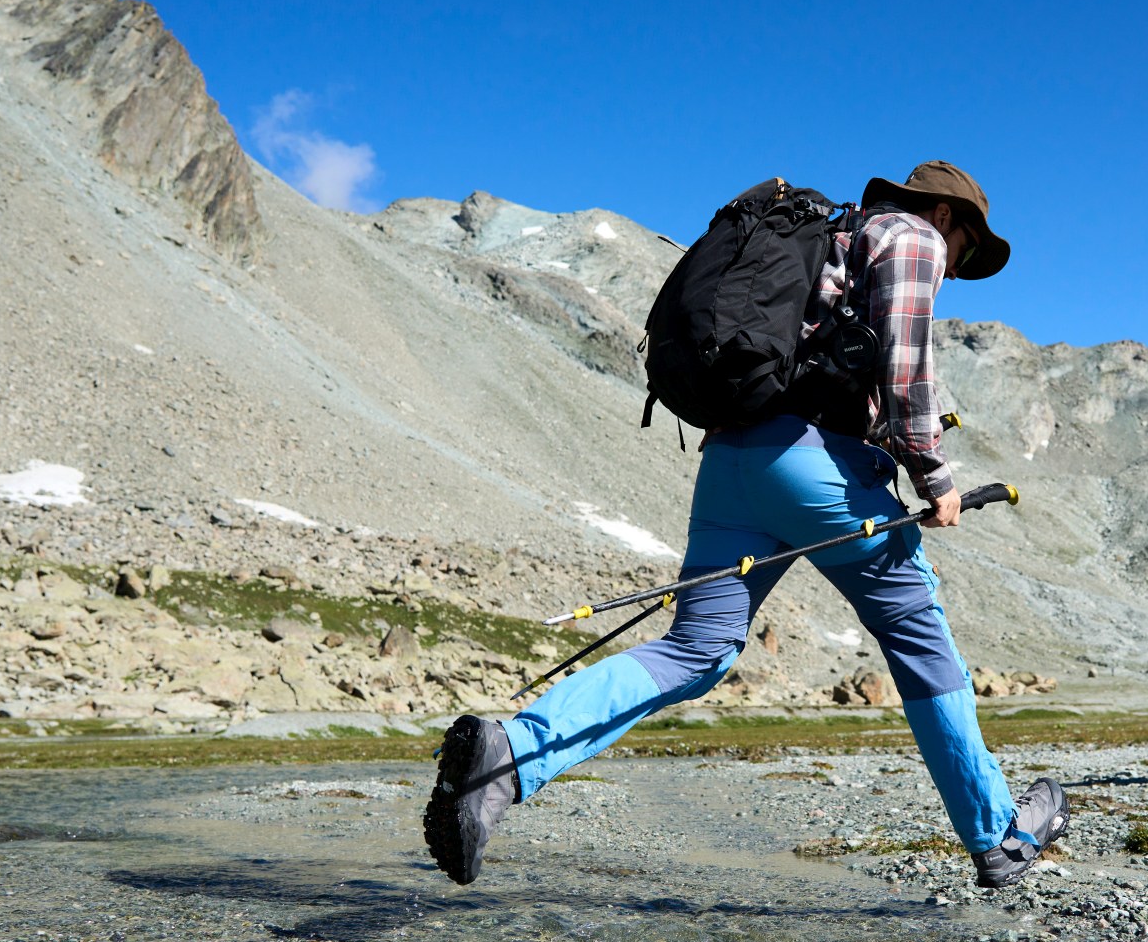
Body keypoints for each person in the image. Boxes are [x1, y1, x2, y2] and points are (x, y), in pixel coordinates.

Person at [424, 162, 1070, 887]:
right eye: (968, 251)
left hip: (733, 459)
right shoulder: (913, 236)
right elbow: (905, 366)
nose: (957, 267)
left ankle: (506, 758)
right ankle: (996, 837)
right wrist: (936, 478)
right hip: (813, 468)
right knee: (918, 633)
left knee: (697, 648)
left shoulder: (835, 237)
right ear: (949, 218)